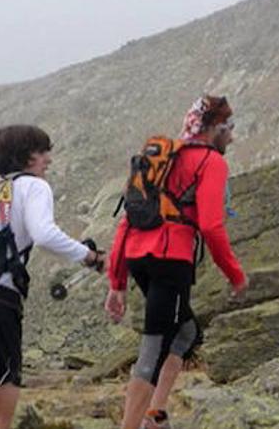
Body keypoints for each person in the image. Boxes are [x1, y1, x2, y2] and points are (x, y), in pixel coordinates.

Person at [0, 125, 103, 429]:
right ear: (26, 156)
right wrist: (90, 257)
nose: (48, 159)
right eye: (42, 151)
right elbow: (44, 234)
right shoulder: (32, 186)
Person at [105, 95, 249, 429]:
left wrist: (118, 282)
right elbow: (212, 226)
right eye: (230, 128)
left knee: (184, 331)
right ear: (215, 128)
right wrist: (235, 275)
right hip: (171, 259)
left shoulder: (164, 159)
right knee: (155, 347)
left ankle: (155, 417)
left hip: (139, 256)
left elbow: (129, 217)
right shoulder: (211, 162)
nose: (233, 136)